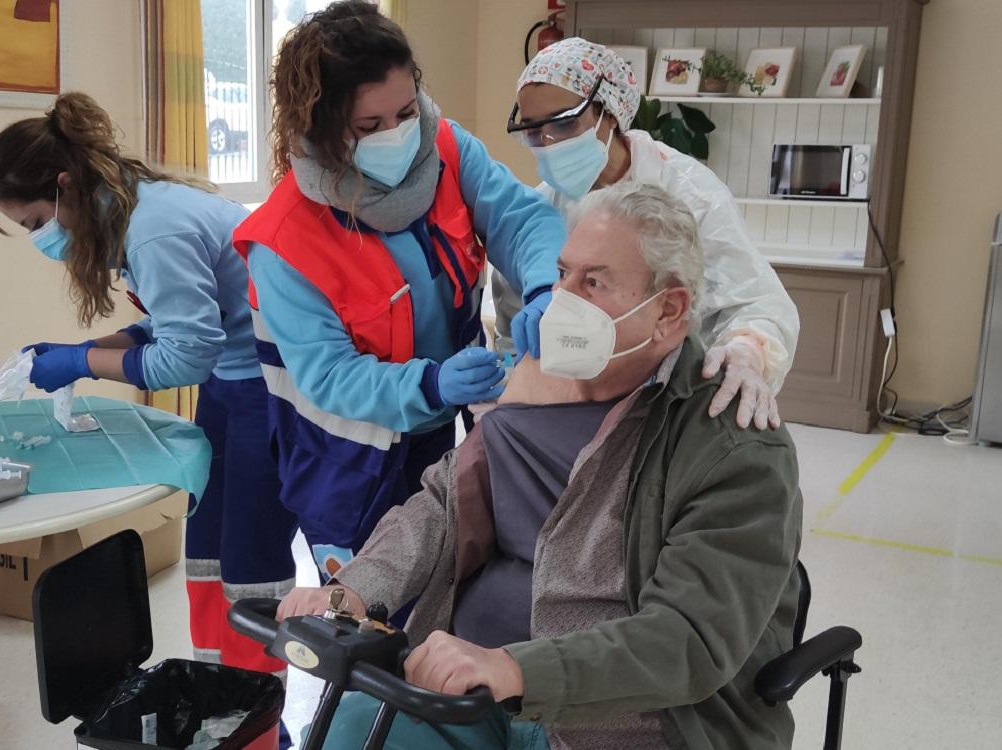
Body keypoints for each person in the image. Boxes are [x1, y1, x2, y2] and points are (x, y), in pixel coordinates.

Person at [279, 183, 804, 750]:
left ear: (669, 310)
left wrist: (517, 670)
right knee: (343, 735)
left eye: (594, 282)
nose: (562, 300)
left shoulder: (733, 447)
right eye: (563, 274)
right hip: (471, 691)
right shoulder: (534, 389)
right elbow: (443, 507)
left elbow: (688, 640)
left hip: (628, 719)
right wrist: (354, 589)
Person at [232, 1, 567, 583]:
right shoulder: (283, 241)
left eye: (406, 111)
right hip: (346, 457)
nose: (397, 135)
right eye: (369, 127)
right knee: (370, 614)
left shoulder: (445, 149)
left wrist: (542, 285)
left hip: (438, 427)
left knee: (448, 584)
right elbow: (330, 376)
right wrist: (429, 382)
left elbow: (520, 219)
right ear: (321, 129)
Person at [0, 92, 296, 679]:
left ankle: (257, 716)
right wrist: (109, 346)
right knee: (209, 552)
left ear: (65, 184)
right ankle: (219, 697)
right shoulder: (129, 209)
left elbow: (187, 357)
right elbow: (185, 317)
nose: (38, 238)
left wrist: (83, 362)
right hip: (236, 378)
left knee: (250, 562)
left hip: (271, 389)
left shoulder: (152, 229)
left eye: (34, 223)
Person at [495, 37, 800, 431]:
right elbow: (511, 316)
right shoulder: (541, 210)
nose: (548, 143)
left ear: (610, 111)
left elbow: (757, 302)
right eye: (534, 132)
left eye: (564, 123)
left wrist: (747, 351)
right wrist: (508, 372)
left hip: (673, 399)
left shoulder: (690, 195)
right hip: (571, 401)